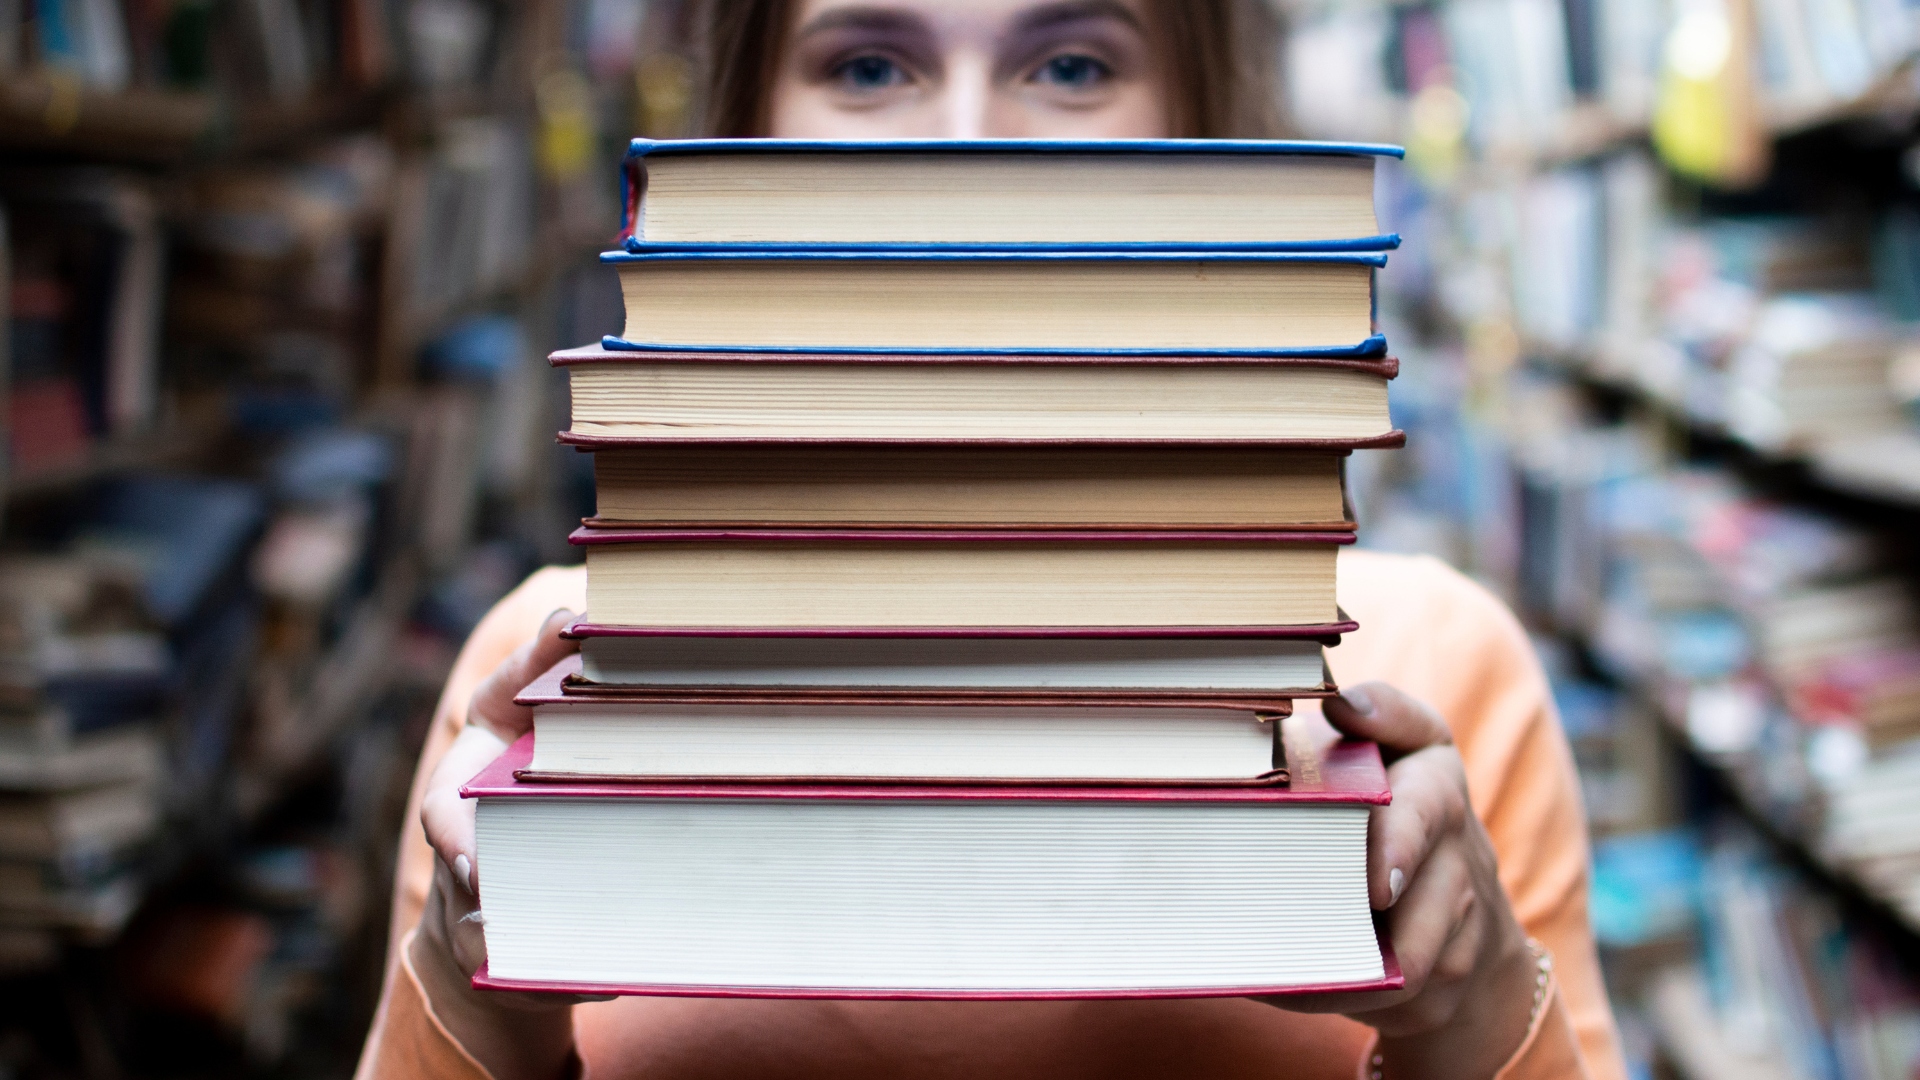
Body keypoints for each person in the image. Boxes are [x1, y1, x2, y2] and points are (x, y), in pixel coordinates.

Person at [355, 2, 1628, 1078]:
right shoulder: (537, 686)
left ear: (1198, 131)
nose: (963, 143)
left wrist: (1471, 1006)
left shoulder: (1443, 671)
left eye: (1071, 66)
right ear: (737, 143)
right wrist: (476, 1001)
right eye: (867, 66)